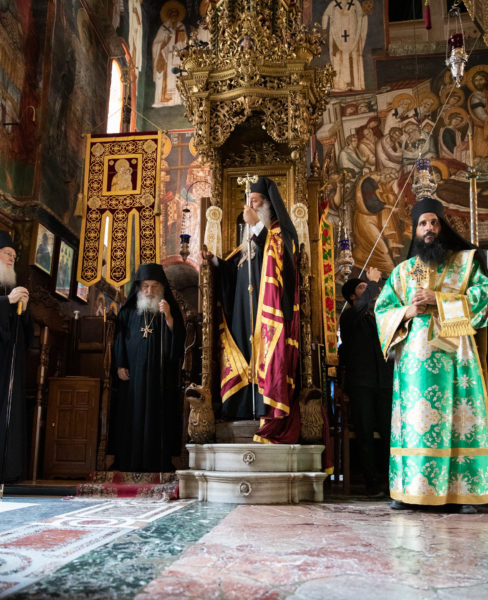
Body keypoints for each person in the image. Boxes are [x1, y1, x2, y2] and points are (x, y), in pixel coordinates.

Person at [375, 196, 488, 513]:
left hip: (456, 358)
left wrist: (438, 299)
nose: (429, 228)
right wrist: (408, 311)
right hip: (414, 363)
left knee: (457, 419)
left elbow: (483, 295)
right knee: (414, 422)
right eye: (423, 223)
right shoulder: (403, 272)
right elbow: (383, 311)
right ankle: (409, 489)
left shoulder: (465, 263)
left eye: (434, 222)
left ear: (442, 227)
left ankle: (464, 493)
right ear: (415, 229)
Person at [206, 176, 300, 444]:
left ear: (268, 205)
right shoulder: (248, 241)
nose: (250, 207)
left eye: (255, 202)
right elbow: (233, 272)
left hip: (266, 313)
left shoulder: (279, 234)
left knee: (262, 354)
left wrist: (257, 225)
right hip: (242, 313)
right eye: (248, 202)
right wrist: (214, 261)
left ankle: (263, 407)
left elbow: (282, 259)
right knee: (241, 353)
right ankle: (239, 406)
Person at [112, 262, 185, 472]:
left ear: (162, 287)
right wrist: (120, 364)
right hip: (133, 375)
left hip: (159, 376)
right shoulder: (128, 311)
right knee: (131, 415)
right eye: (145, 286)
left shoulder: (168, 309)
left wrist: (169, 317)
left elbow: (178, 341)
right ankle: (129, 461)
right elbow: (118, 339)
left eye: (154, 286)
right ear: (139, 287)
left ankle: (158, 462)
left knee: (158, 416)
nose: (149, 291)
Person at [340, 268, 393, 496]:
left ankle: (391, 481)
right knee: (365, 435)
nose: (367, 290)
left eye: (367, 287)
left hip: (383, 383)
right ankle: (372, 484)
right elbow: (362, 306)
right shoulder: (349, 317)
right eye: (361, 288)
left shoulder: (374, 319)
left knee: (389, 433)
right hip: (361, 384)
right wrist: (371, 282)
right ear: (352, 296)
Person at [0, 231, 32, 483]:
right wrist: (6, 302)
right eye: (7, 254)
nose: (12, 258)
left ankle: (7, 469)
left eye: (14, 255)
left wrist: (24, 310)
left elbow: (22, 333)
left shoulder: (10, 285)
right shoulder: (7, 293)